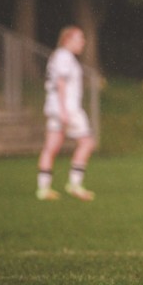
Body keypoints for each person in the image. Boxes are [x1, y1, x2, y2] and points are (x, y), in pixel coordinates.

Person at [36, 26, 96, 202]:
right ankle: (75, 184)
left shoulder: (59, 56)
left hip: (55, 107)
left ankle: (43, 188)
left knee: (51, 146)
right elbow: (61, 83)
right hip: (68, 108)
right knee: (87, 142)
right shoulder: (64, 56)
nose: (83, 42)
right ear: (67, 40)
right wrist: (64, 110)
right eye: (79, 38)